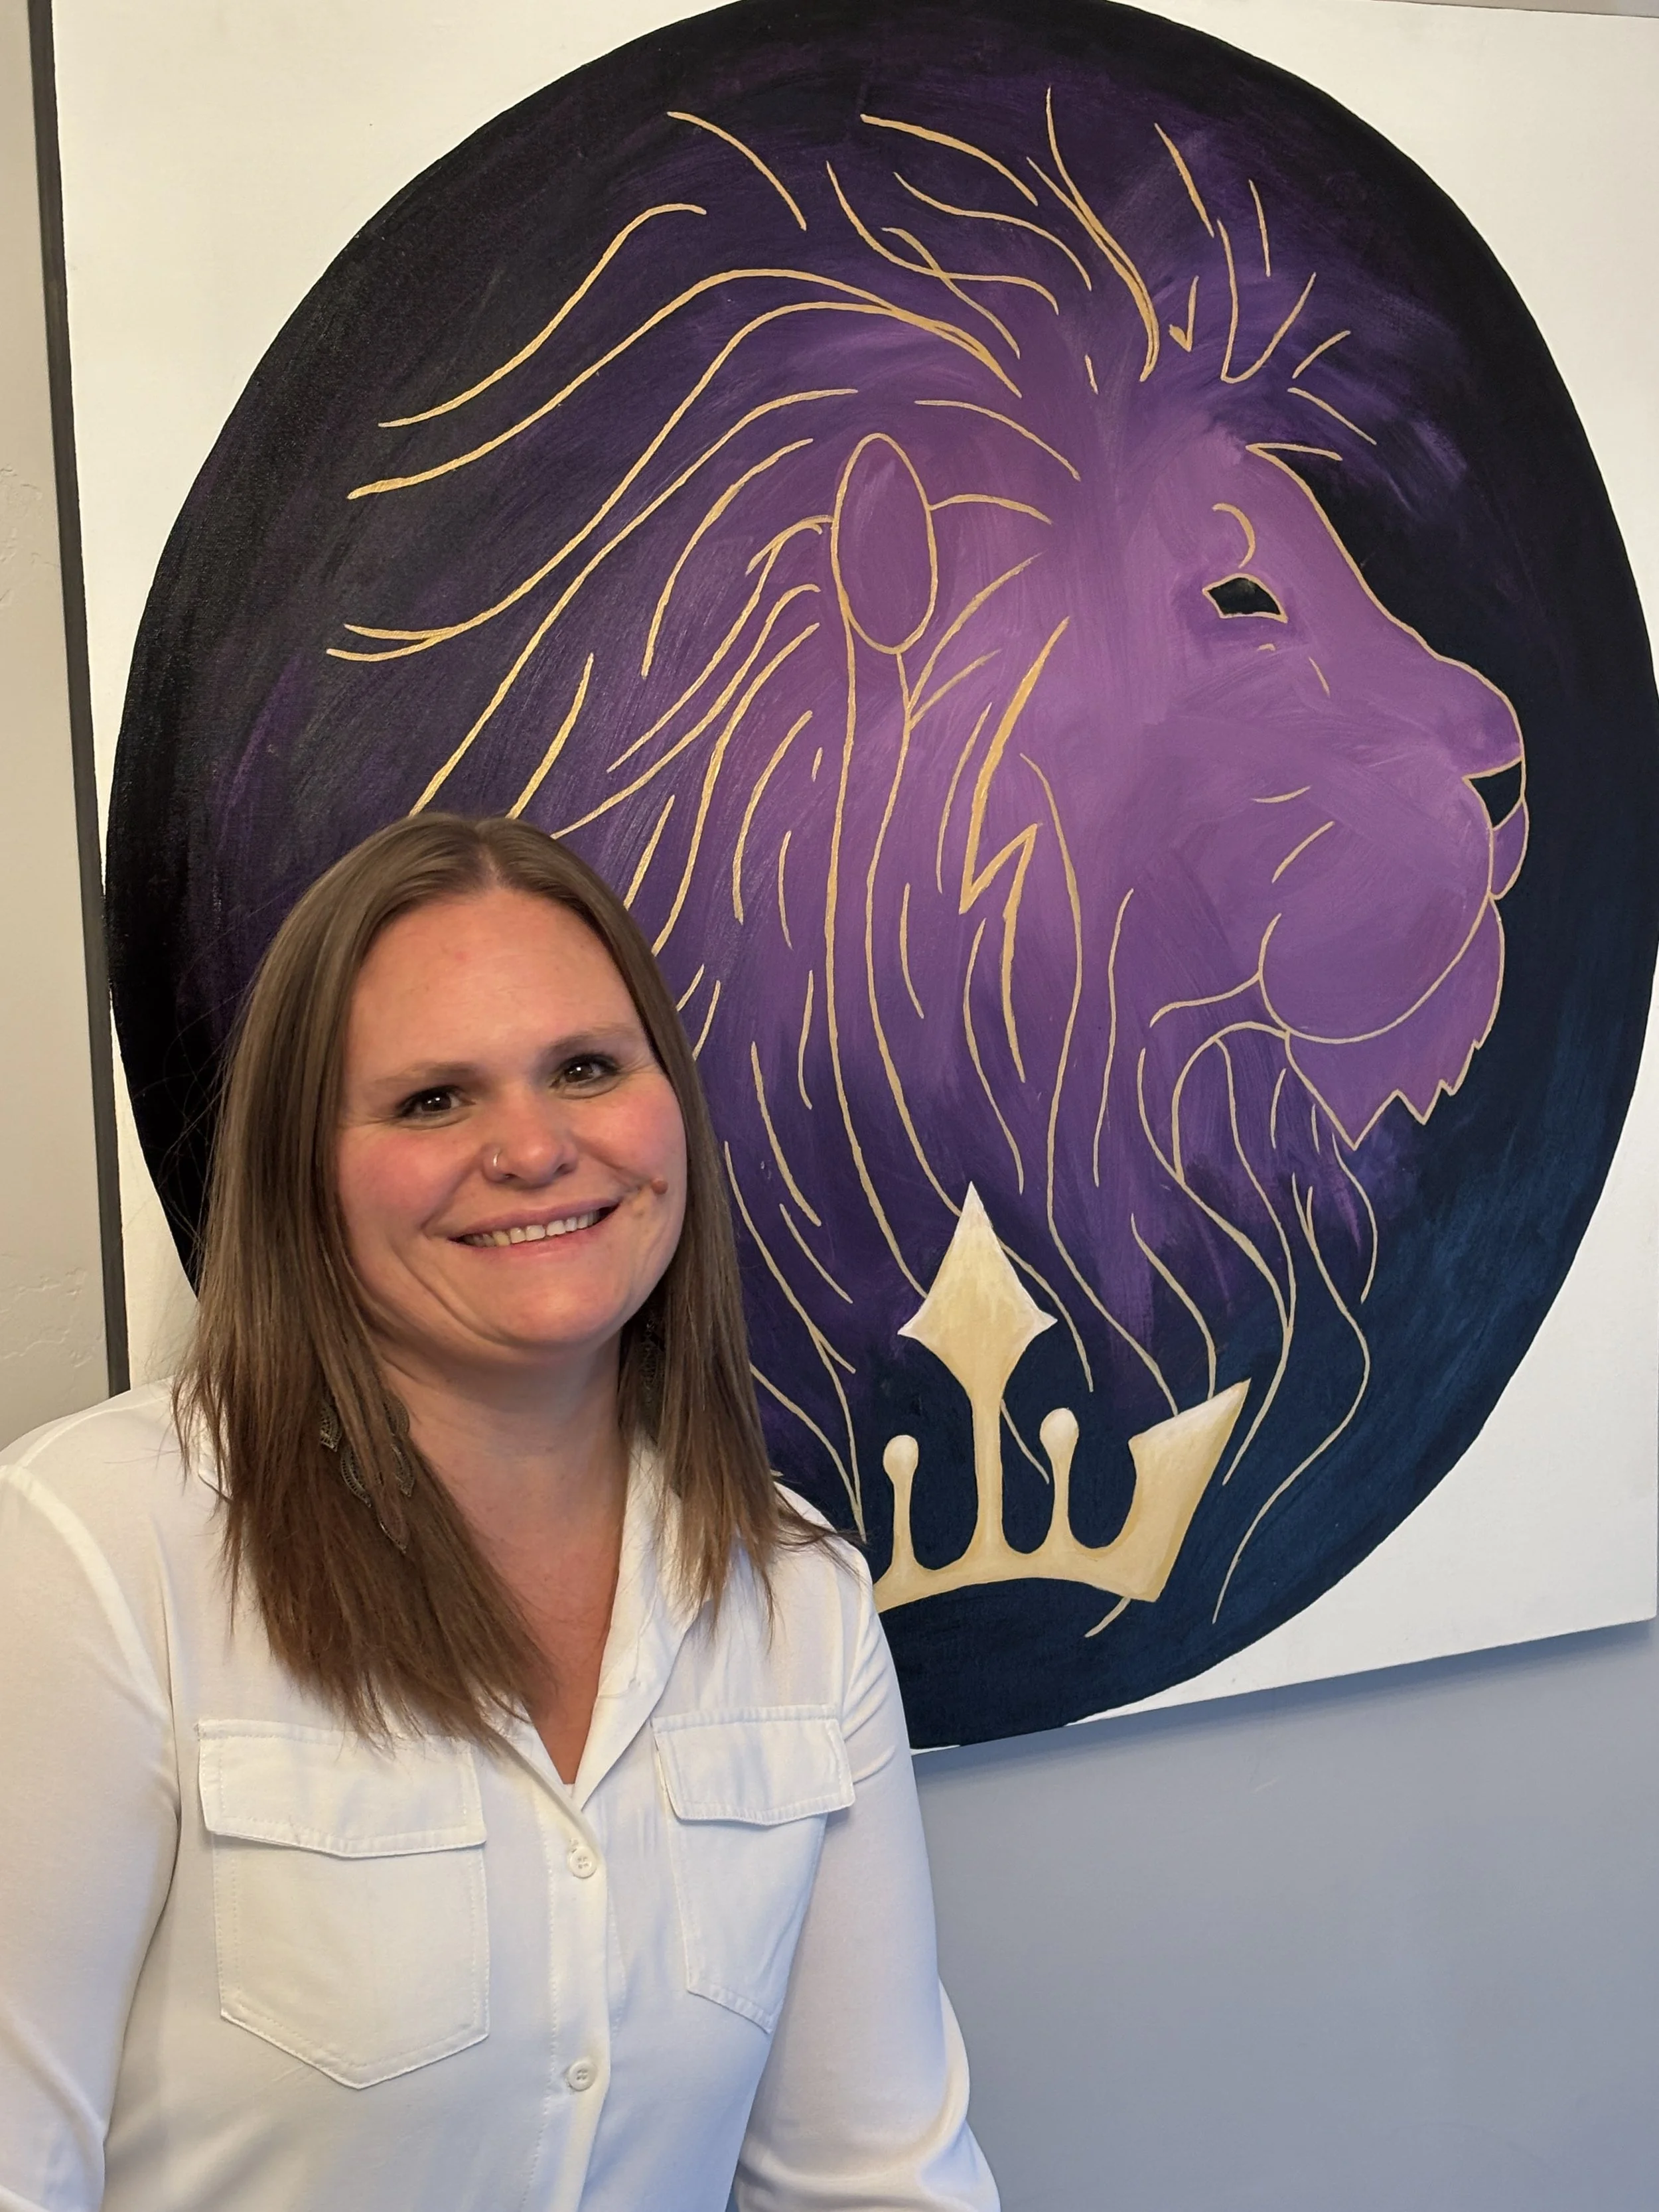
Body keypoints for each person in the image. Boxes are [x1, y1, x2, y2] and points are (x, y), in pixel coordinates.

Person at [0, 814, 997, 2212]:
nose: (532, 1147)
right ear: (302, 1171)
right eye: (432, 1100)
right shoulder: (92, 1552)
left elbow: (875, 2177)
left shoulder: (794, 1594)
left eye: (586, 1068)